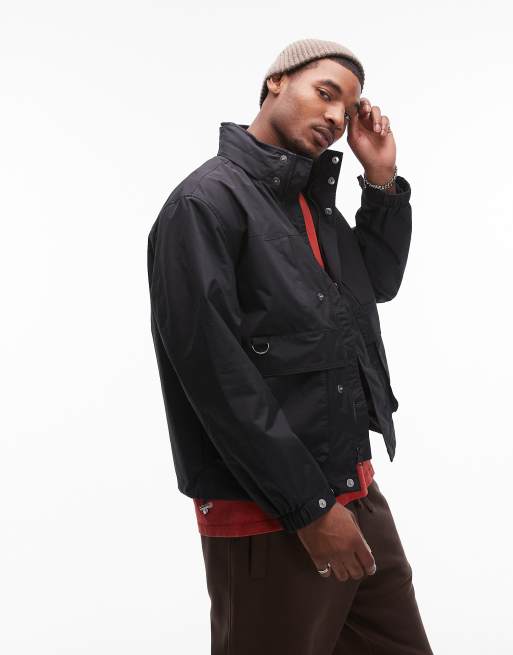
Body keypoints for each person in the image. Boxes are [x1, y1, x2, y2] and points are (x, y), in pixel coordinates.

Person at [147, 37, 434, 655]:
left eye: (347, 109)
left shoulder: (310, 205)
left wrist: (381, 181)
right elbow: (216, 380)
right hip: (273, 510)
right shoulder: (204, 204)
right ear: (276, 82)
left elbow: (375, 283)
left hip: (354, 490)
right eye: (325, 93)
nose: (334, 116)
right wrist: (309, 508)